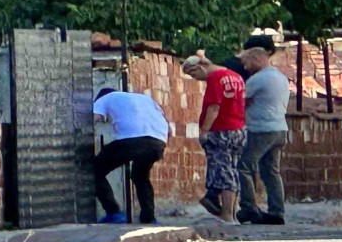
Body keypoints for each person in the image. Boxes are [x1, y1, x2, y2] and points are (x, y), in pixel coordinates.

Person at [182, 51, 246, 224]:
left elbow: (214, 107)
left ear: (198, 67)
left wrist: (204, 131)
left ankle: (227, 214)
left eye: (193, 74)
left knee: (223, 171)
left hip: (221, 129)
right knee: (232, 169)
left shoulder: (215, 78)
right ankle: (231, 213)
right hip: (238, 128)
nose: (196, 79)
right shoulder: (235, 76)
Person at [93, 88, 168, 224]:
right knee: (140, 176)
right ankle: (149, 219)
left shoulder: (104, 98)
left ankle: (114, 212)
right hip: (158, 141)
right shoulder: (146, 99)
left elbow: (95, 118)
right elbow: (167, 126)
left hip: (131, 140)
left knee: (94, 170)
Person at [236, 47, 290, 225]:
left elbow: (239, 100)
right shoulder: (280, 77)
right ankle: (277, 211)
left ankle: (248, 208)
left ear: (257, 60)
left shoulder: (258, 79)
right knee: (271, 171)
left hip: (262, 129)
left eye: (247, 63)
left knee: (244, 166)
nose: (245, 67)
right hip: (280, 128)